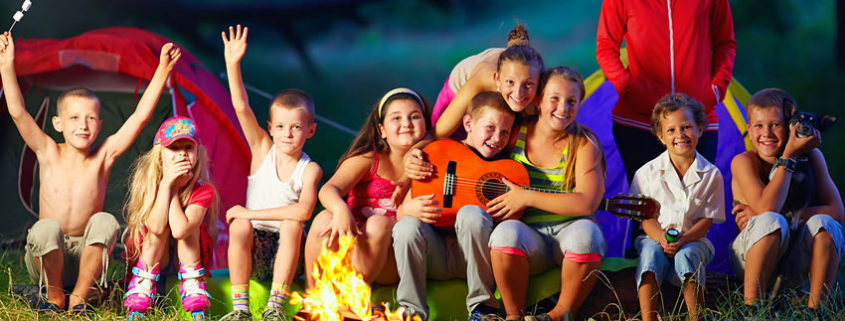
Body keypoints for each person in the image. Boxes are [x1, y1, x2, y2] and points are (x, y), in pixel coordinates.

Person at [0, 31, 180, 313]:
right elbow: (17, 111)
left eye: (91, 118)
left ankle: (80, 297)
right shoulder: (47, 151)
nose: (82, 125)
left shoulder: (103, 157)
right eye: (74, 118)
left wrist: (162, 71)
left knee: (106, 221)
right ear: (57, 123)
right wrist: (6, 65)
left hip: (89, 254)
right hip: (48, 256)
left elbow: (140, 117)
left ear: (99, 125)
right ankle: (56, 295)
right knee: (46, 227)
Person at [218, 25, 322, 321]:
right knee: (239, 227)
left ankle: (275, 306)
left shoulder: (309, 169)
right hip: (253, 250)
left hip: (288, 257)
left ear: (310, 131)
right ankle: (241, 309)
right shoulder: (263, 149)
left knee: (291, 225)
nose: (286, 134)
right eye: (280, 127)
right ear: (270, 127)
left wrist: (247, 213)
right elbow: (241, 107)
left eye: (296, 127)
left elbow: (303, 212)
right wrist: (232, 63)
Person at [487, 67, 606, 321]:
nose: (563, 108)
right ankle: (513, 316)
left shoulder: (584, 143)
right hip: (531, 241)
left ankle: (559, 315)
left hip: (570, 234)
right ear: (539, 100)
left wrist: (526, 196)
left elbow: (587, 202)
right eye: (555, 98)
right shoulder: (514, 134)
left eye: (571, 101)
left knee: (588, 235)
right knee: (504, 234)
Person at [393, 91, 516, 321]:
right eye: (490, 128)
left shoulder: (505, 168)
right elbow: (402, 209)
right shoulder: (441, 153)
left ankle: (484, 309)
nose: (497, 138)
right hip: (434, 254)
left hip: (475, 259)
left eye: (505, 132)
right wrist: (406, 210)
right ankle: (411, 312)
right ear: (468, 123)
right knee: (406, 227)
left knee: (471, 213)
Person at [303, 88, 430, 289]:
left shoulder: (430, 163)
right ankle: (312, 298)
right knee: (323, 218)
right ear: (382, 130)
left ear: (426, 124)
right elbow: (329, 189)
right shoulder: (369, 159)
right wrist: (340, 209)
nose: (406, 123)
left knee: (379, 223)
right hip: (351, 243)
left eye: (414, 116)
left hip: (390, 259)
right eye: (396, 118)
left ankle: (352, 297)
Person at [596, 0, 736, 181]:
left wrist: (715, 90)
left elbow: (725, 43)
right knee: (647, 206)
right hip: (638, 120)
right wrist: (628, 88)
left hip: (696, 119)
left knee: (697, 202)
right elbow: (605, 48)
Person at [730, 88, 843, 310]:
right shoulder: (744, 161)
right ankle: (752, 308)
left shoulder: (812, 156)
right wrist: (788, 156)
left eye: (776, 125)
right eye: (759, 126)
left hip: (795, 257)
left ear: (791, 125)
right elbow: (767, 208)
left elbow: (837, 211)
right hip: (752, 258)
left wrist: (789, 215)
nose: (767, 133)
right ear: (749, 130)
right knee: (771, 221)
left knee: (826, 224)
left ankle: (816, 309)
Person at [629, 94, 725, 321]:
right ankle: (648, 317)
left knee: (688, 256)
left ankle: (696, 317)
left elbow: (706, 221)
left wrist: (683, 240)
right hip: (655, 237)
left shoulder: (711, 174)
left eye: (686, 127)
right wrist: (662, 238)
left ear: (700, 129)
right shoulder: (646, 174)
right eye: (671, 130)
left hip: (694, 240)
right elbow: (645, 217)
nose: (680, 135)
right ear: (660, 136)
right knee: (649, 254)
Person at [122, 116, 217, 319]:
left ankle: (192, 282)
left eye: (188, 148)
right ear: (160, 155)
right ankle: (143, 283)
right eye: (174, 148)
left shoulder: (203, 190)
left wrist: (173, 189)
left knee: (186, 230)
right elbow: (155, 227)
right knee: (160, 228)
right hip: (154, 257)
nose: (182, 154)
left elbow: (181, 230)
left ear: (197, 153)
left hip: (187, 259)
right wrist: (165, 184)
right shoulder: (147, 182)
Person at [432, 25, 544, 139]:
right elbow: (436, 134)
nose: (518, 93)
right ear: (497, 79)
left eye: (528, 84)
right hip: (458, 93)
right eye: (510, 82)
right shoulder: (484, 78)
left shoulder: (542, 86)